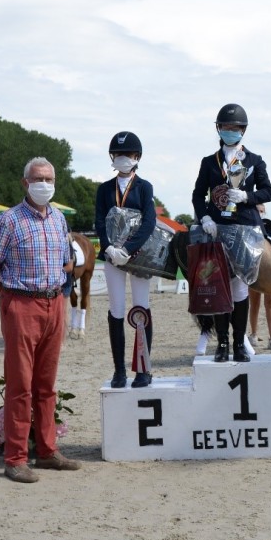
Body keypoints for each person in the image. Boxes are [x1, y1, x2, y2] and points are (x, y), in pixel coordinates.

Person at [0, 157, 80, 484]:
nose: (45, 184)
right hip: (21, 304)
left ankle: (48, 450)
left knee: (46, 384)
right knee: (20, 385)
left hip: (55, 303)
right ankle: (15, 458)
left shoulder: (59, 220)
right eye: (38, 178)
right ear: (25, 183)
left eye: (49, 178)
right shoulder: (7, 221)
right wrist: (8, 298)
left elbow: (67, 262)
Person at [191, 103, 271, 363]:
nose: (230, 131)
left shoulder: (254, 161)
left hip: (244, 230)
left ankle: (239, 343)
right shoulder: (209, 162)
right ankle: (222, 343)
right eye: (226, 127)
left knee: (239, 289)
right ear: (219, 129)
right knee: (218, 287)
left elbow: (268, 192)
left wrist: (247, 196)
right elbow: (197, 194)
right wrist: (204, 216)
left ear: (243, 131)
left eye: (235, 128)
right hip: (217, 229)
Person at [95, 131, 157, 389]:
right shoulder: (104, 189)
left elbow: (149, 222)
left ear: (136, 157)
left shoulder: (144, 187)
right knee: (116, 310)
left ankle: (143, 370)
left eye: (127, 155)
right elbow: (99, 220)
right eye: (118, 155)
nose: (122, 159)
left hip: (138, 255)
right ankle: (119, 370)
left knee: (141, 307)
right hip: (112, 257)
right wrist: (109, 248)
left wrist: (128, 249)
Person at [248, 204, 271, 350]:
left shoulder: (270, 229)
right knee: (254, 304)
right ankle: (253, 334)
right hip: (255, 270)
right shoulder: (249, 230)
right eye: (257, 211)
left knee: (270, 303)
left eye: (261, 211)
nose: (259, 214)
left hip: (270, 271)